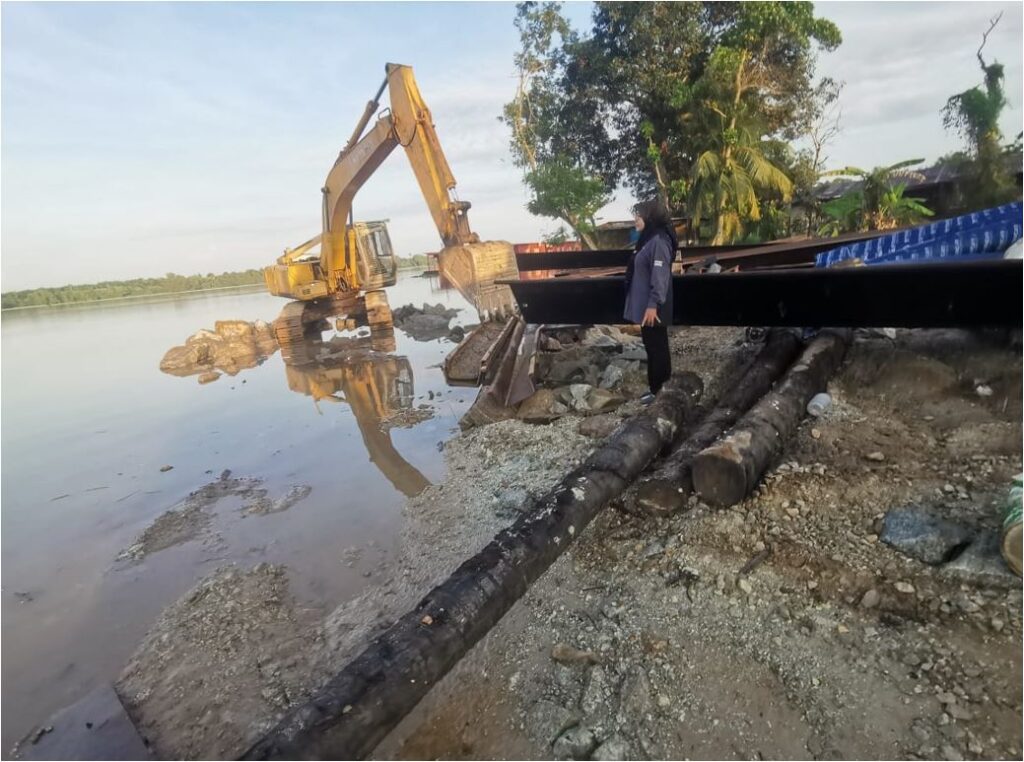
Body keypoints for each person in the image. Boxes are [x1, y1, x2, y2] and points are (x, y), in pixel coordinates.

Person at [624, 199, 676, 402]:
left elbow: (660, 276)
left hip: (654, 307)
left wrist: (653, 304)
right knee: (651, 346)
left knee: (658, 347)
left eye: (639, 215)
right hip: (648, 307)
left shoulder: (660, 241)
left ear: (650, 217)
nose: (635, 219)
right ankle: (655, 389)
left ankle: (661, 392)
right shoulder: (648, 240)